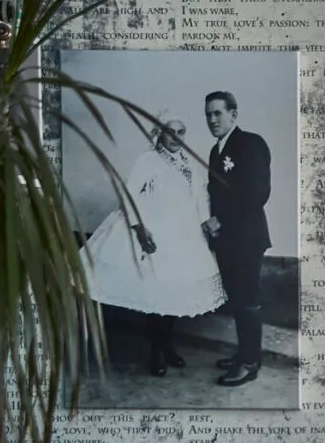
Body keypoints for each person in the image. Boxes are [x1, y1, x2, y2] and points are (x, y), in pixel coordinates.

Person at [80, 113, 225, 375]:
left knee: (174, 292)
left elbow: (199, 197)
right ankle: (156, 351)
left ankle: (167, 345)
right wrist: (139, 229)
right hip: (156, 230)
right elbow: (129, 195)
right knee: (158, 293)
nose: (175, 137)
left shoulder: (189, 162)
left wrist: (206, 222)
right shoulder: (148, 160)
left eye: (181, 132)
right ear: (159, 134)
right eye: (170, 132)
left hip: (185, 234)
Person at [201, 90, 274, 387]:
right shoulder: (216, 150)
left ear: (233, 114)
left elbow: (258, 193)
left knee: (247, 301)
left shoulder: (250, 143)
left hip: (247, 239)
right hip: (228, 241)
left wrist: (222, 220)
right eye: (208, 115)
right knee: (238, 300)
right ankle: (244, 353)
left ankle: (250, 363)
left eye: (217, 113)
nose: (212, 120)